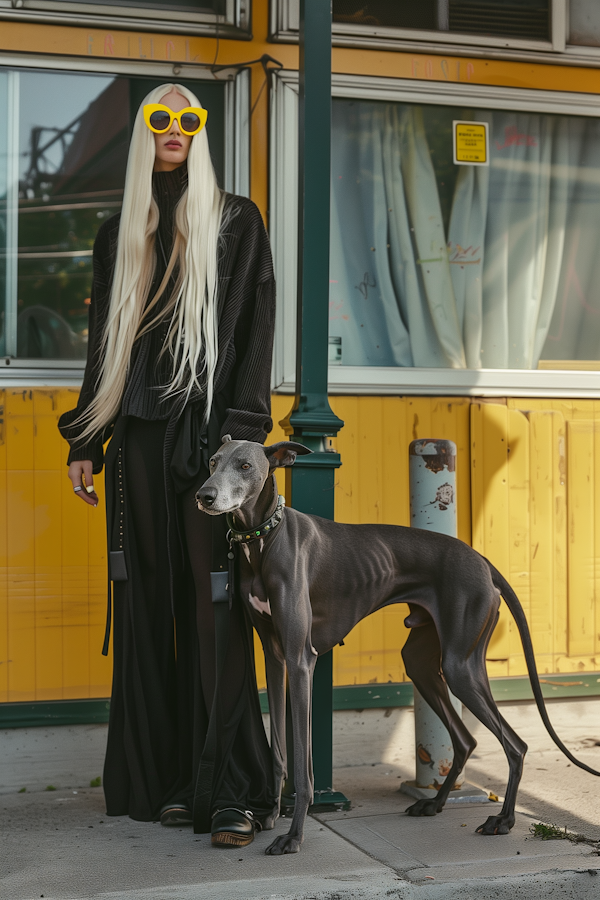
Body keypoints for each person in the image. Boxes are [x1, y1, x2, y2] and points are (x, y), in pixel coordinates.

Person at [58, 84, 277, 848]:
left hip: (208, 444)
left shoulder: (235, 220)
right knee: (151, 607)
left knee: (215, 609)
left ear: (202, 132)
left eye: (189, 119)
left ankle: (233, 790)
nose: (176, 129)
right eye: (162, 118)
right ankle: (173, 781)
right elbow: (104, 346)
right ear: (143, 131)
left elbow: (254, 329)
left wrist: (240, 440)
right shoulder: (119, 228)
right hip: (139, 447)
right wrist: (87, 439)